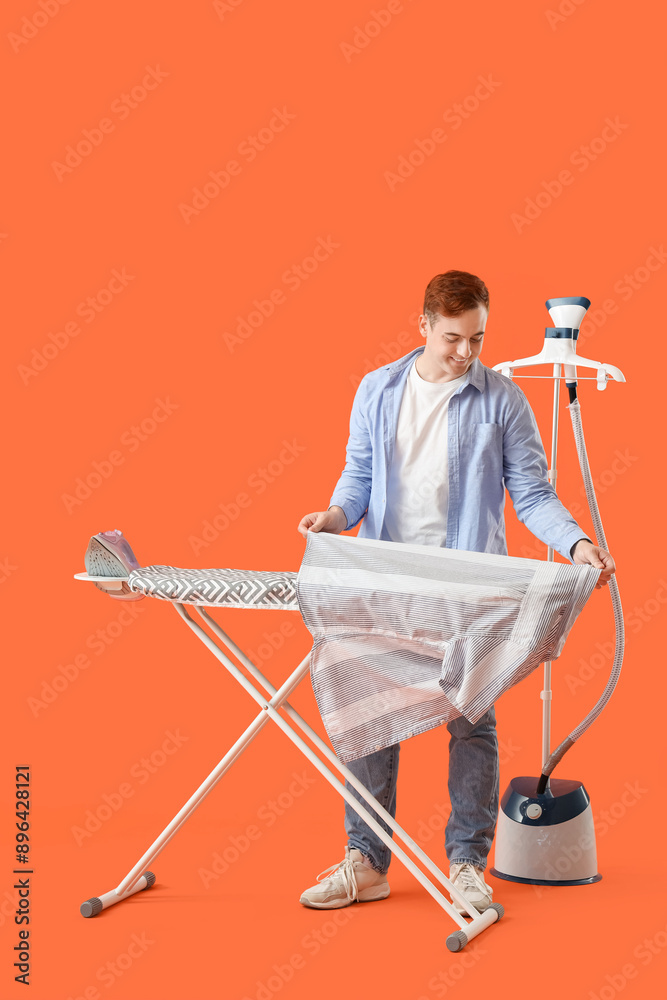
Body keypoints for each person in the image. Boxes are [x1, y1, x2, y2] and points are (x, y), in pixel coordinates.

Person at [296, 270, 615, 914]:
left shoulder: (502, 400)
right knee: (371, 712)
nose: (466, 352)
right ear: (422, 327)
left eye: (477, 338)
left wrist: (577, 542)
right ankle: (366, 861)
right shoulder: (377, 390)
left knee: (472, 720)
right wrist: (333, 517)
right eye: (452, 339)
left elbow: (531, 493)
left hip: (467, 585)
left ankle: (467, 863)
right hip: (388, 579)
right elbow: (357, 478)